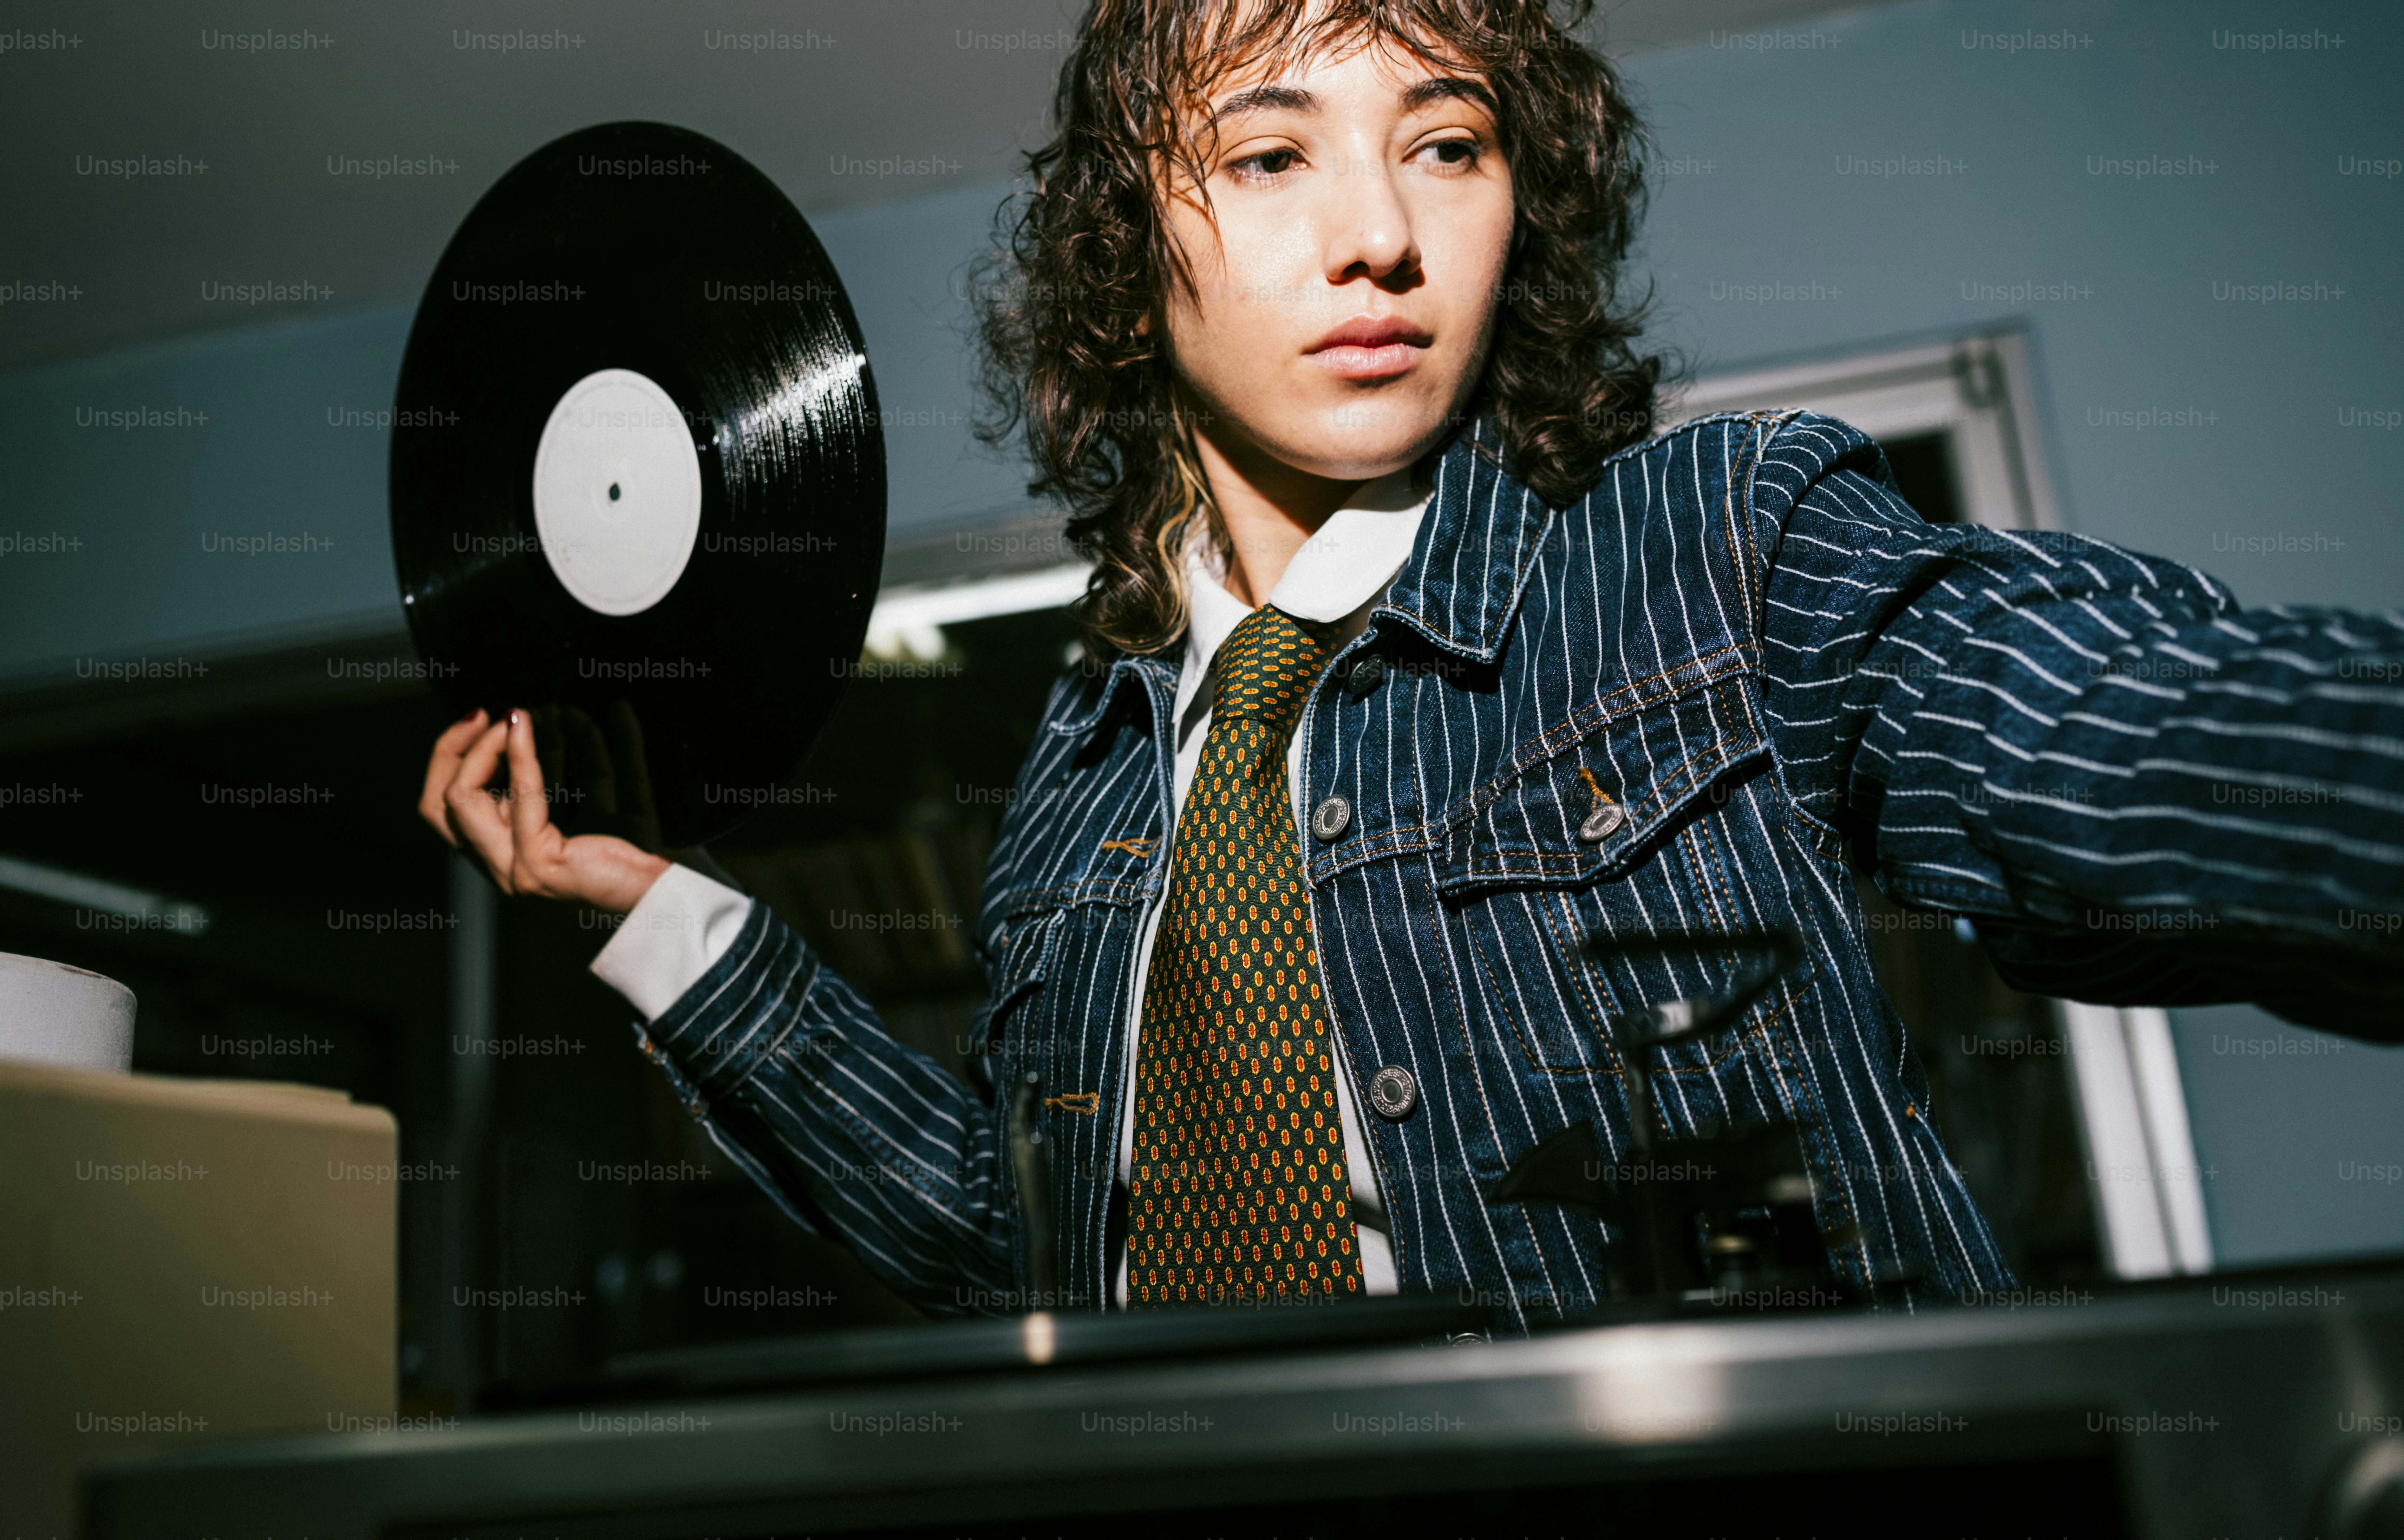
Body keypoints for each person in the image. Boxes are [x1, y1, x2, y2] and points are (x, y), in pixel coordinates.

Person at [419, 0, 2404, 1330]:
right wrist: (660, 917)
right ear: (1130, 241)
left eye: (1448, 145)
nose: (1383, 232)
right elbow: (1011, 1250)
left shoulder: (1717, 547)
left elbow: (2118, 739)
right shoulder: (1080, 788)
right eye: (1271, 155)